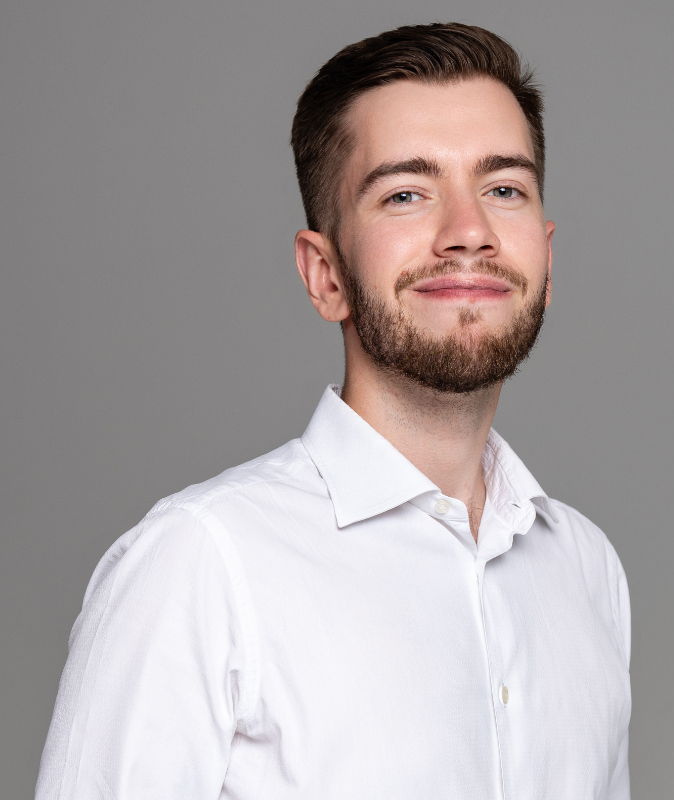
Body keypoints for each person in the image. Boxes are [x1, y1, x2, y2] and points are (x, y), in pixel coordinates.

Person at [36, 23, 631, 800]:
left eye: (504, 189)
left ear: (546, 258)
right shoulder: (201, 566)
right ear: (325, 275)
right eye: (406, 194)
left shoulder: (586, 569)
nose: (470, 233)